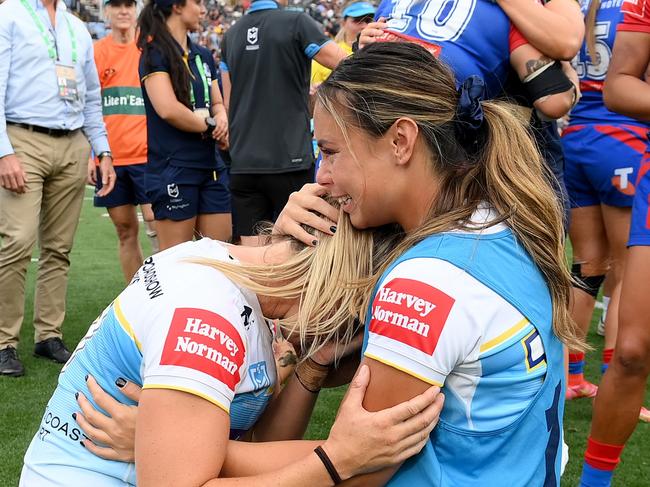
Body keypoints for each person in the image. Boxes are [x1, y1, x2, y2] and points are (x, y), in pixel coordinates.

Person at [276, 42, 582, 485]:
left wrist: (179, 448)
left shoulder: (426, 281)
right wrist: (291, 241)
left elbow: (358, 471)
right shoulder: (498, 219)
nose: (321, 175)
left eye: (331, 151)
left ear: (401, 140)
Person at [20, 208, 444, 486]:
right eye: (352, 316)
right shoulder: (207, 316)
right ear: (333, 285)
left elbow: (259, 444)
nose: (343, 330)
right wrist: (335, 461)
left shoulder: (231, 277)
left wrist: (313, 367)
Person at [0, 0, 116, 376]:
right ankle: (4, 341)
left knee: (59, 248)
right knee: (17, 241)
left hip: (73, 142)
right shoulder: (10, 14)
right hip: (23, 137)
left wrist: (103, 150)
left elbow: (93, 95)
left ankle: (48, 334)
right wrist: (4, 152)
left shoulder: (77, 26)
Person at [561, 0, 648, 403]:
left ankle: (571, 375)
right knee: (629, 273)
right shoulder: (635, 9)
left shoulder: (583, 7)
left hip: (576, 138)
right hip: (623, 141)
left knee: (588, 266)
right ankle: (613, 382)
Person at [578, 0, 650, 484]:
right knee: (631, 350)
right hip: (614, 141)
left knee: (590, 265)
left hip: (588, 139)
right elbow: (619, 82)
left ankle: (573, 370)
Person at [219, 0, 348, 245]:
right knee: (295, 250)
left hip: (244, 162)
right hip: (289, 159)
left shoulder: (230, 35)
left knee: (252, 256)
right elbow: (349, 64)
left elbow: (228, 102)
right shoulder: (297, 22)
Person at [138, 0, 231, 251]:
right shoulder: (154, 53)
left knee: (218, 261)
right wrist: (212, 126)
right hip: (174, 168)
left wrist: (221, 118)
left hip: (211, 166)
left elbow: (217, 103)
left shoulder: (202, 54)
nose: (203, 9)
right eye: (197, 2)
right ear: (177, 6)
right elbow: (168, 109)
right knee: (175, 264)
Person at [91, 0, 158, 283]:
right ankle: (137, 296)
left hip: (149, 156)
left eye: (128, 5)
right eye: (116, 5)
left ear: (136, 10)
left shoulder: (150, 47)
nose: (123, 10)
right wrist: (91, 155)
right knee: (125, 231)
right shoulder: (96, 52)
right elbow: (89, 106)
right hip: (111, 159)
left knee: (159, 229)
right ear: (105, 11)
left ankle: (167, 296)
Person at [310, 1, 375, 88]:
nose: (364, 26)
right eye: (357, 20)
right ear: (343, 23)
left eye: (368, 20)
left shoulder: (381, 52)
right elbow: (313, 91)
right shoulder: (327, 52)